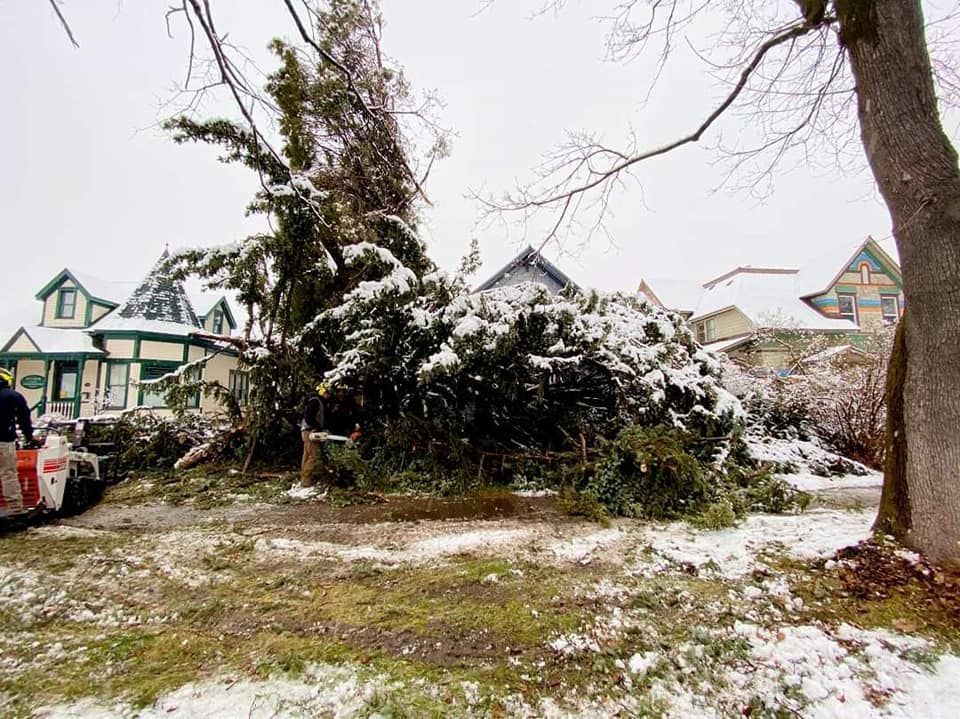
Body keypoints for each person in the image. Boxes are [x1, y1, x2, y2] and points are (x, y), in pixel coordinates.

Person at [0, 367, 33, 515]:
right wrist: (29, 436)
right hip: (4, 441)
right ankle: (15, 509)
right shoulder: (12, 396)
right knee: (8, 474)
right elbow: (24, 418)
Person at [300, 382, 328, 488]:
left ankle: (303, 478)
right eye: (327, 393)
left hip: (307, 431)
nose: (328, 395)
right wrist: (316, 427)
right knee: (314, 456)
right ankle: (306, 480)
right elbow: (309, 417)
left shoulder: (316, 401)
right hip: (310, 431)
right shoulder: (315, 402)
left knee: (307, 455)